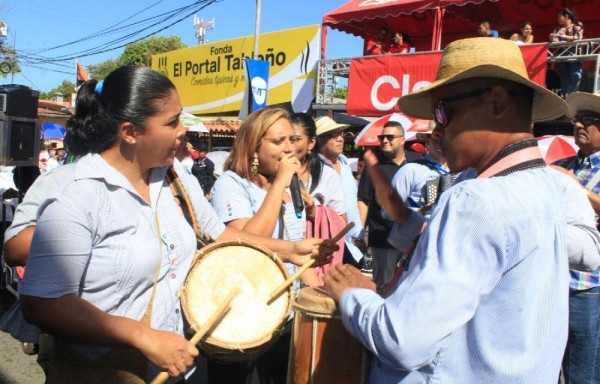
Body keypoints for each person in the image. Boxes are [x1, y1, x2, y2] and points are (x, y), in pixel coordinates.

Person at [18, 66, 335, 384]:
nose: (183, 130)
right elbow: (42, 303)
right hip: (105, 371)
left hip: (183, 371)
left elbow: (220, 236)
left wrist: (290, 250)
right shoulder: (80, 194)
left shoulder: (175, 178)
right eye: (172, 122)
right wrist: (142, 336)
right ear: (130, 132)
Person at [324, 37, 579, 383]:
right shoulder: (549, 185)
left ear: (498, 102)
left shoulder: (477, 199)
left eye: (443, 111)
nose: (438, 130)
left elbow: (403, 342)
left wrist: (356, 298)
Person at [209, 107, 317, 382]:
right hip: (246, 315)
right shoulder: (231, 184)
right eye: (278, 141)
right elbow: (247, 246)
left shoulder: (289, 187)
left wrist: (321, 292)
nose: (288, 149)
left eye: (291, 140)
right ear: (254, 148)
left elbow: (293, 250)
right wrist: (280, 182)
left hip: (284, 316)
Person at [553, 91, 600, 384]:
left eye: (588, 120)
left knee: (583, 373)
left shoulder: (566, 173)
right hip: (554, 281)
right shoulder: (564, 164)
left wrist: (576, 190)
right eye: (577, 119)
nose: (579, 125)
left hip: (589, 287)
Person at [291, 112, 348, 282]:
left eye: (294, 139)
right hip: (281, 254)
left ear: (311, 143)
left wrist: (316, 213)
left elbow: (342, 222)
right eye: (283, 139)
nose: (288, 146)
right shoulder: (273, 174)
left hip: (313, 260)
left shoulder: (327, 175)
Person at [385, 122, 450, 260]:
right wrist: (417, 212)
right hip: (407, 246)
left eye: (446, 138)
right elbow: (387, 210)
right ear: (428, 141)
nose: (441, 143)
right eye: (436, 137)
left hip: (441, 247)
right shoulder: (411, 170)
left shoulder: (458, 173)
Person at [357, 121, 406, 287]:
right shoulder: (374, 167)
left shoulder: (416, 163)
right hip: (382, 239)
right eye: (382, 137)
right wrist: (361, 232)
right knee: (385, 287)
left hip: (412, 239)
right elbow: (363, 200)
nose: (385, 140)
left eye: (390, 137)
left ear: (402, 140)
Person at [316, 116, 365, 266]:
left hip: (350, 241)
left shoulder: (344, 164)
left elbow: (353, 200)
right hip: (328, 242)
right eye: (333, 135)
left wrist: (359, 233)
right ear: (318, 140)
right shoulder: (316, 168)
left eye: (340, 134)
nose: (340, 139)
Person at [550, 8, 584, 98]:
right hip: (562, 54)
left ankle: (572, 96)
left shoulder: (577, 26)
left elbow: (578, 37)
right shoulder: (559, 29)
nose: (558, 19)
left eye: (559, 17)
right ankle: (566, 97)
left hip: (575, 53)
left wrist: (563, 36)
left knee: (576, 75)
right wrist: (552, 38)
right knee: (564, 77)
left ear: (566, 16)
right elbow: (555, 41)